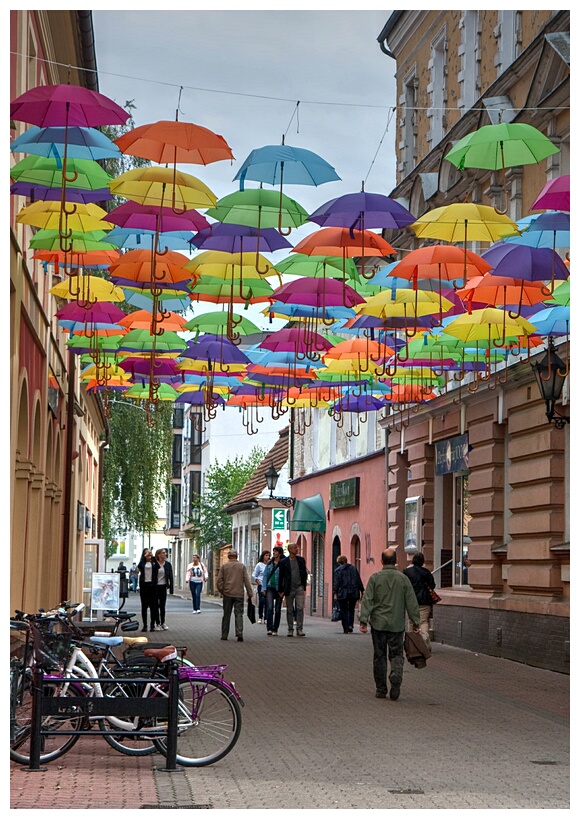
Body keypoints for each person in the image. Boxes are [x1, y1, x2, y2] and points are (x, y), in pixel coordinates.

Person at [359, 548, 420, 701]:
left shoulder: (375, 578)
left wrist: (363, 620)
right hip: (397, 624)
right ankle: (396, 673)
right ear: (395, 561)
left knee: (379, 655)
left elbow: (368, 600)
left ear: (381, 561)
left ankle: (381, 689)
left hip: (378, 624)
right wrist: (415, 621)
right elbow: (411, 601)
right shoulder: (403, 579)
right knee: (396, 653)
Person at [216, 548, 253, 642]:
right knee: (239, 614)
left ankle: (224, 635)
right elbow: (246, 580)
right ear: (237, 556)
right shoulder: (241, 566)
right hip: (239, 594)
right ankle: (239, 633)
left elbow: (219, 580)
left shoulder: (224, 566)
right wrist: (250, 592)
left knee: (226, 614)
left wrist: (222, 590)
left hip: (228, 593)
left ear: (229, 556)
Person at [403, 552, 437, 650]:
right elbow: (432, 585)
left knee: (411, 621)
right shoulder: (426, 572)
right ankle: (425, 642)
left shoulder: (407, 572)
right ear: (423, 561)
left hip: (411, 601)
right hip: (424, 601)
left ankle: (412, 644)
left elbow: (404, 586)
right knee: (423, 622)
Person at [278, 542, 309, 637]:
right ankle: (290, 629)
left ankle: (299, 629)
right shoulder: (284, 562)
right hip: (289, 588)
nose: (297, 549)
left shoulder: (301, 560)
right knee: (290, 610)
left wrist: (303, 585)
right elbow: (281, 576)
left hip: (299, 587)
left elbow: (304, 572)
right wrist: (281, 590)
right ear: (290, 550)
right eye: (295, 548)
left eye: (297, 547)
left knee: (300, 608)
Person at [333, 555, 365, 634]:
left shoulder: (338, 570)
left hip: (342, 593)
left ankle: (346, 628)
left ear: (339, 562)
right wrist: (362, 590)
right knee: (351, 609)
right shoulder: (353, 569)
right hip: (353, 592)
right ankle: (350, 625)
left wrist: (335, 593)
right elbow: (358, 580)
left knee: (343, 610)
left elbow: (336, 583)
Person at [261, 545, 284, 635]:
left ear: (279, 553)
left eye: (275, 551)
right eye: (273, 551)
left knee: (278, 609)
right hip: (270, 587)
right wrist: (264, 588)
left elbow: (285, 577)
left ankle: (275, 628)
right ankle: (269, 628)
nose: (273, 553)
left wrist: (284, 590)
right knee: (270, 607)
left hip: (279, 588)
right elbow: (265, 576)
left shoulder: (283, 563)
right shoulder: (270, 563)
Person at [137, 548, 159, 632]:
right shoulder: (143, 562)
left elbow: (158, 567)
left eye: (149, 553)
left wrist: (152, 557)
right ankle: (145, 625)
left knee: (153, 606)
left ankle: (152, 625)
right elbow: (138, 568)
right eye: (146, 553)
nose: (148, 555)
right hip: (144, 586)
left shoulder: (153, 562)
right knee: (144, 606)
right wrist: (144, 558)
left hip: (153, 586)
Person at [153, 548, 174, 631]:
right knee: (155, 606)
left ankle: (163, 622)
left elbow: (171, 576)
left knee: (162, 605)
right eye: (163, 553)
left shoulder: (168, 564)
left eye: (165, 553)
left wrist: (171, 588)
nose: (165, 554)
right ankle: (157, 623)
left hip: (163, 586)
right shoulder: (154, 564)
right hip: (155, 587)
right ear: (158, 555)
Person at [252, 550, 271, 624]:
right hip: (261, 585)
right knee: (262, 601)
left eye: (269, 555)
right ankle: (260, 616)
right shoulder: (259, 565)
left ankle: (266, 617)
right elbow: (254, 575)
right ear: (263, 556)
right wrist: (257, 581)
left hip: (268, 585)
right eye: (266, 555)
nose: (268, 557)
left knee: (267, 602)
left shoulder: (270, 564)